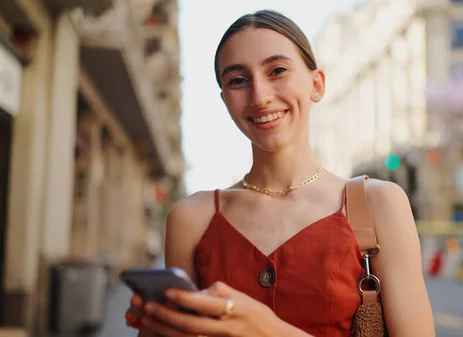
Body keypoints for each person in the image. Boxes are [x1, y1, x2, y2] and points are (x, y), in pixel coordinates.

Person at [126, 9, 435, 337]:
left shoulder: (377, 204)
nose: (260, 96)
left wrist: (266, 330)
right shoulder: (191, 218)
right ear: (225, 100)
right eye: (238, 80)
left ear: (317, 84)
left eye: (277, 70)